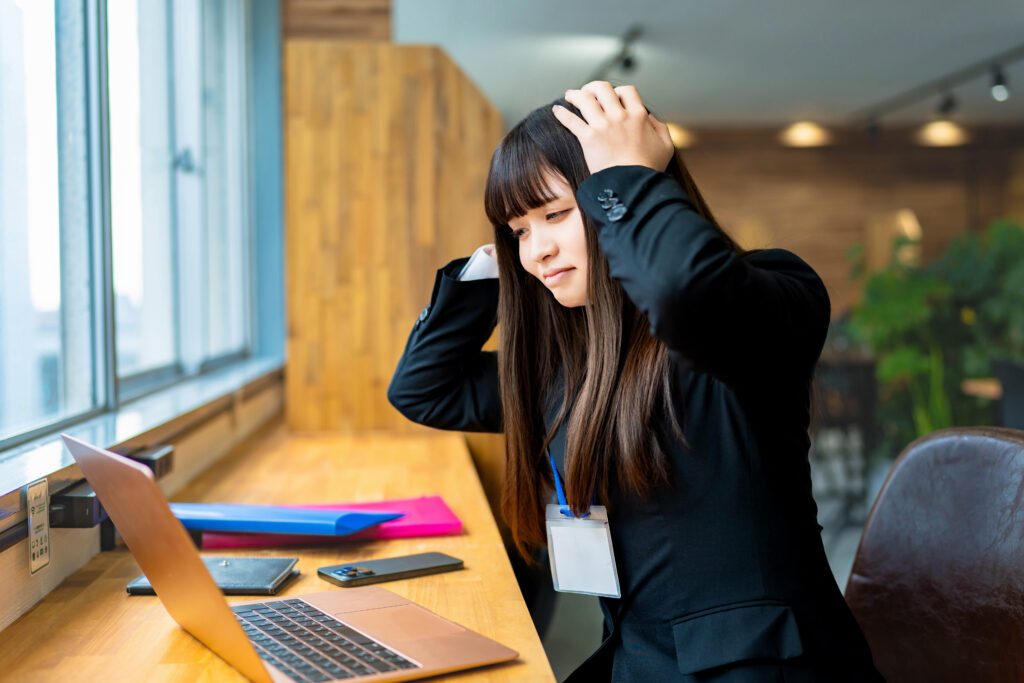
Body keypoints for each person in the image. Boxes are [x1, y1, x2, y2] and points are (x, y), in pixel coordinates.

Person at [388, 81, 883, 682]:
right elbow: (423, 388)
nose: (536, 250)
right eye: (519, 229)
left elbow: (685, 294)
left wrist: (625, 174)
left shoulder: (771, 294)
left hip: (762, 669)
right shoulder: (572, 372)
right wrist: (493, 268)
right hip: (634, 663)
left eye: (556, 213)